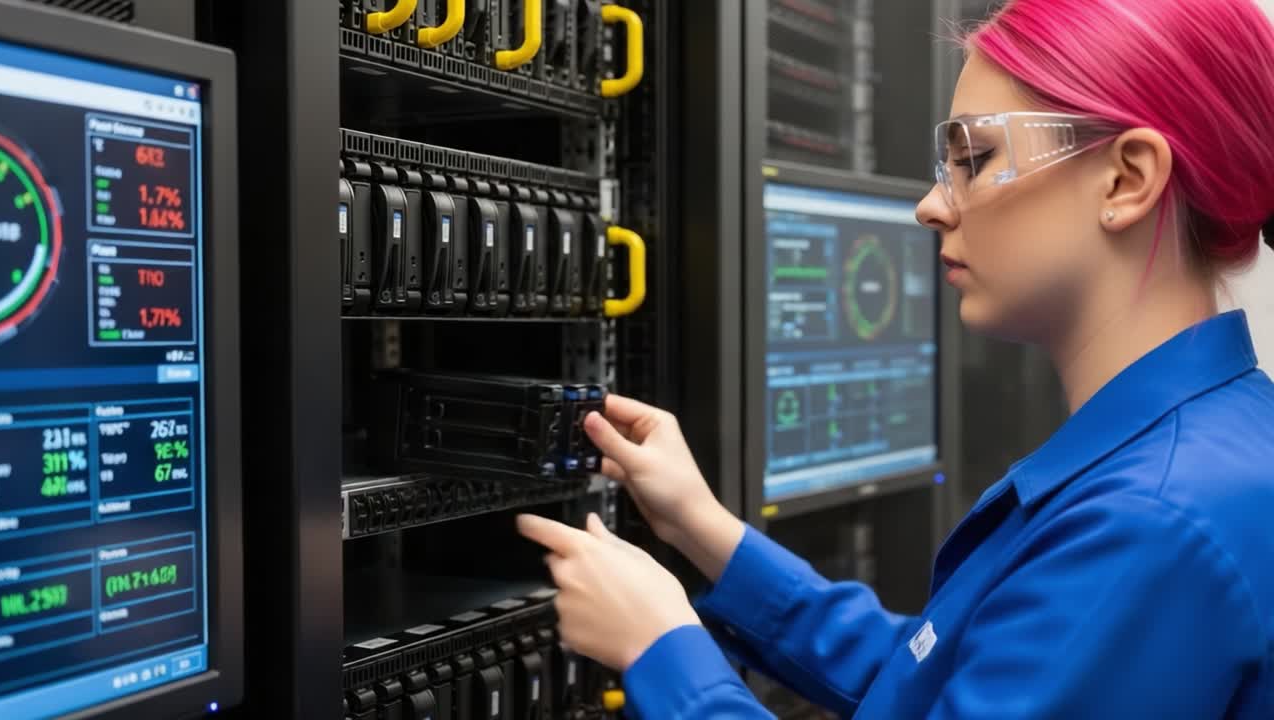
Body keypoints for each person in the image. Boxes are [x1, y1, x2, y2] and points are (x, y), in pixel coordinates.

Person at [517, 0, 1274, 716]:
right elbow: (937, 679)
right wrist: (704, 529)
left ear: (1127, 179)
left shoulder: (1151, 523)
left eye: (975, 158)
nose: (931, 205)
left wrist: (662, 650)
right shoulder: (1213, 447)